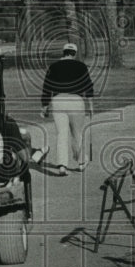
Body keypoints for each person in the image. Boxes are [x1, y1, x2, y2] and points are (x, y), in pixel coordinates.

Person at [40, 42, 94, 176]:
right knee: (77, 133)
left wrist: (45, 106)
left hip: (58, 101)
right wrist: (91, 105)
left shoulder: (53, 66)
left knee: (61, 134)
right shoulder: (81, 66)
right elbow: (88, 86)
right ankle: (81, 163)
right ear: (74, 54)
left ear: (63, 53)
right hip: (76, 101)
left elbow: (47, 87)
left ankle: (62, 166)